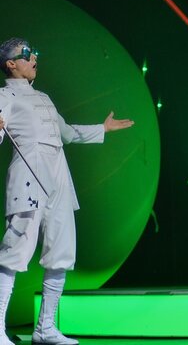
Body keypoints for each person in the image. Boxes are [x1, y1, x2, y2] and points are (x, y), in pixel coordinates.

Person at [0, 37, 134, 345]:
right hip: (29, 175)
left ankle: (45, 328)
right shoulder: (4, 95)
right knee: (15, 251)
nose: (34, 57)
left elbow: (67, 133)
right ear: (11, 64)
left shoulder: (44, 97)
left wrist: (102, 129)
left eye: (34, 52)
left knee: (61, 252)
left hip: (59, 177)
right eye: (27, 54)